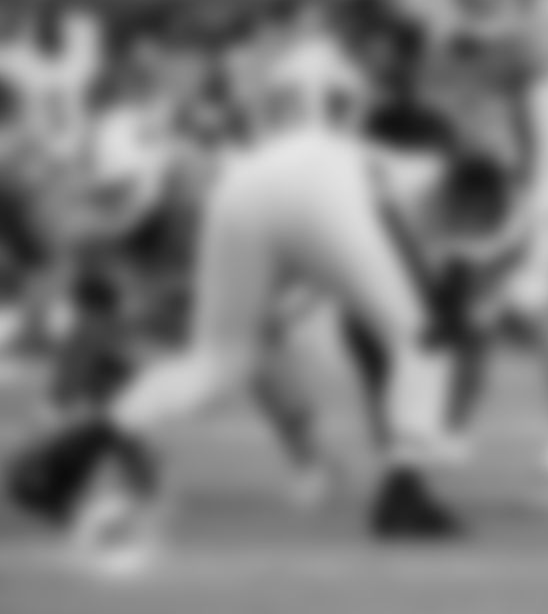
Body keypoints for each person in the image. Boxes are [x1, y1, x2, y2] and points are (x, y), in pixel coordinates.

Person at [5, 28, 462, 578]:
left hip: (243, 186)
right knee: (424, 336)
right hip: (322, 184)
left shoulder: (229, 145)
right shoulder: (385, 157)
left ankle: (71, 457)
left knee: (216, 361)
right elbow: (436, 214)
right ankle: (405, 492)